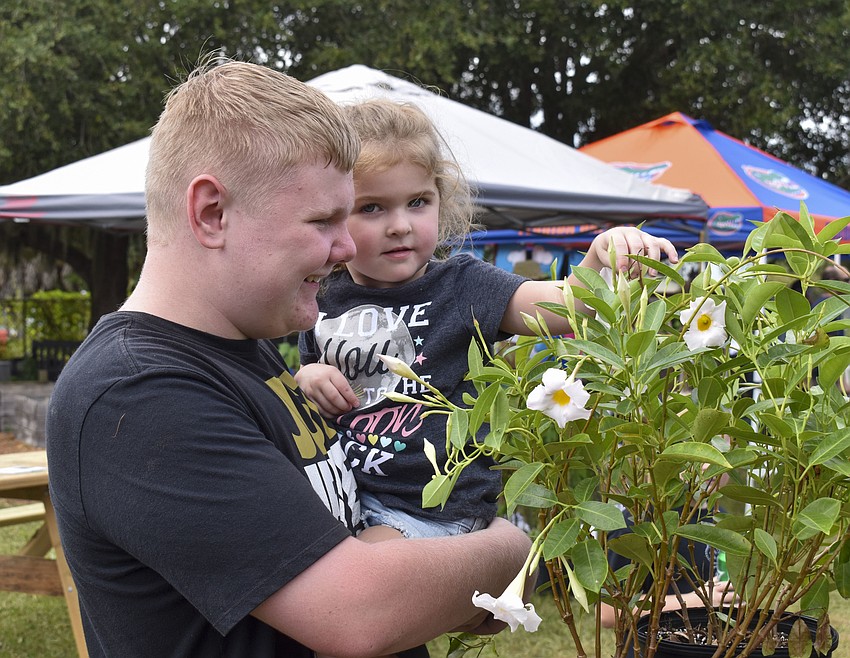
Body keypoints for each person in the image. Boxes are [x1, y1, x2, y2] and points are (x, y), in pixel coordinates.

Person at [45, 60, 534, 658]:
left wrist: (445, 579)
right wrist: (511, 549)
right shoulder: (138, 392)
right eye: (324, 220)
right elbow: (359, 613)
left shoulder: (250, 352)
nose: (349, 246)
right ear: (211, 213)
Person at [296, 98, 679, 541]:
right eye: (372, 208)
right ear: (335, 212)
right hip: (347, 497)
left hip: (432, 506)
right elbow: (304, 384)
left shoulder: (462, 284)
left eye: (418, 202)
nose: (399, 225)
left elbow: (562, 306)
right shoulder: (323, 294)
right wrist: (308, 378)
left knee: (362, 569)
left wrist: (600, 255)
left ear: (442, 199)